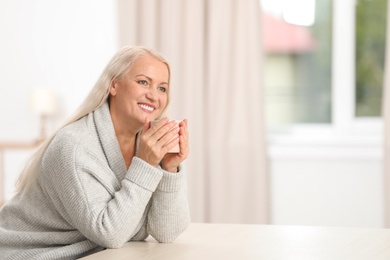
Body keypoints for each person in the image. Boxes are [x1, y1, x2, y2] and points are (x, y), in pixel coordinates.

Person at [0, 46, 191, 259]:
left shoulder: (147, 144)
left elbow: (167, 231)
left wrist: (169, 168)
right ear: (114, 85)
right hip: (32, 254)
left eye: (162, 88)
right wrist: (145, 165)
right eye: (143, 82)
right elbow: (109, 233)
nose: (154, 96)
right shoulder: (74, 145)